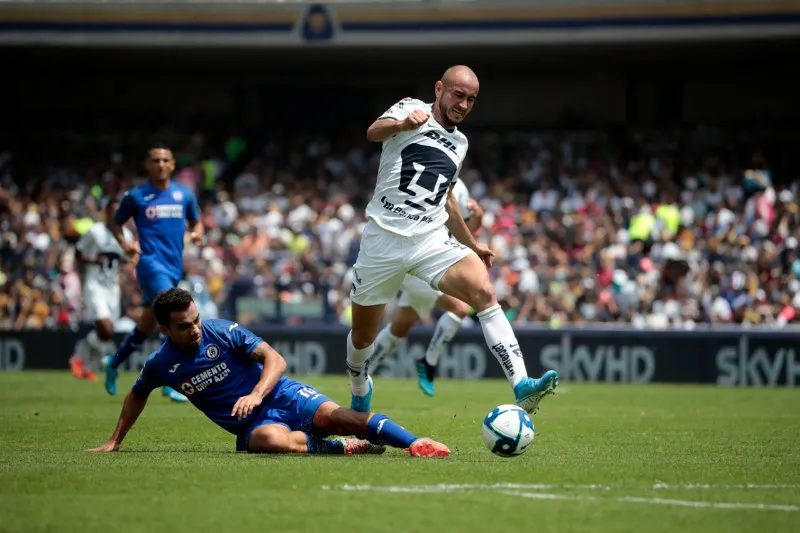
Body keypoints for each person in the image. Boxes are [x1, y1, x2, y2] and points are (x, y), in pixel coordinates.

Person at [347, 65, 558, 415]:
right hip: (383, 239)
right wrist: (403, 124)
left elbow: (447, 200)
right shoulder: (410, 107)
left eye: (471, 99)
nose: (463, 104)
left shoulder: (460, 143)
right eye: (458, 95)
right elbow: (373, 132)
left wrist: (473, 244)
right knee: (362, 338)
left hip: (428, 240)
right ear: (439, 89)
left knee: (483, 291)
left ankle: (522, 384)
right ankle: (359, 391)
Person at [87, 288, 450, 457]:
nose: (195, 329)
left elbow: (274, 358)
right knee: (272, 442)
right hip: (254, 425)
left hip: (282, 394)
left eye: (196, 320)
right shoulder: (161, 364)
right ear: (165, 330)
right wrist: (117, 439)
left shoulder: (221, 330)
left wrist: (256, 393)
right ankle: (342, 448)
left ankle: (415, 443)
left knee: (341, 418)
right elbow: (137, 393)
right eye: (185, 326)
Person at [103, 144, 203, 403]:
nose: (161, 165)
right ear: (148, 165)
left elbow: (196, 221)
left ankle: (113, 362)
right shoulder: (137, 196)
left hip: (173, 267)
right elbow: (115, 221)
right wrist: (125, 243)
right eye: (156, 160)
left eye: (165, 160)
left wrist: (198, 233)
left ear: (173, 165)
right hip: (149, 264)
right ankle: (171, 380)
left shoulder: (184, 194)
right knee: (173, 312)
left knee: (146, 325)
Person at [369, 178, 481, 397]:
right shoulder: (426, 179)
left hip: (423, 260)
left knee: (400, 328)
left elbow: (465, 230)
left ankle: (363, 371)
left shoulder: (459, 187)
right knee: (459, 307)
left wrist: (479, 216)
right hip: (417, 258)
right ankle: (429, 362)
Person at [70, 197, 136, 382]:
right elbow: (78, 253)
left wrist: (130, 258)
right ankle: (91, 358)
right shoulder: (94, 232)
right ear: (106, 213)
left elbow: (126, 259)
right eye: (112, 211)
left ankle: (82, 361)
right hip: (95, 285)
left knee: (107, 332)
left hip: (112, 287)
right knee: (105, 328)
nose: (116, 216)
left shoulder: (126, 235)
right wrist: (93, 261)